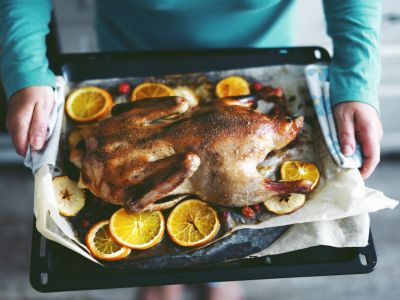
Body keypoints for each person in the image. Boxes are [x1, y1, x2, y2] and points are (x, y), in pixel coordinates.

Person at [0, 1, 383, 299]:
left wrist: (356, 81)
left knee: (204, 185)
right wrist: (27, 71)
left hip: (261, 53)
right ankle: (168, 278)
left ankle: (217, 277)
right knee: (188, 171)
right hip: (127, 52)